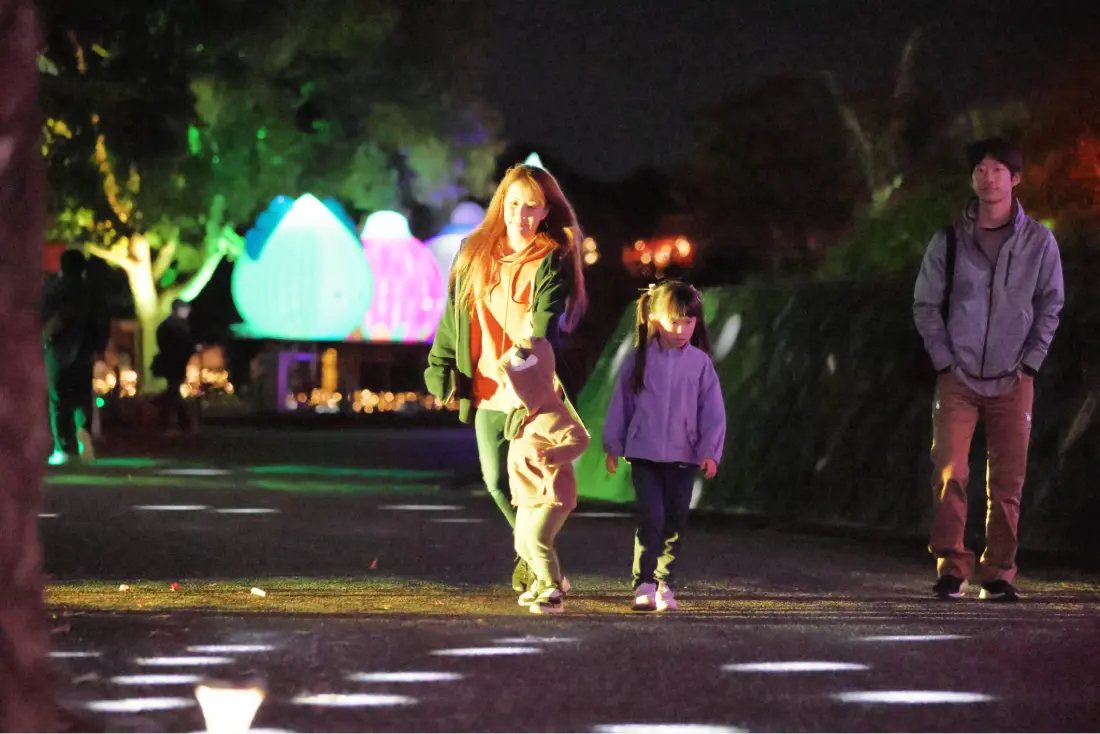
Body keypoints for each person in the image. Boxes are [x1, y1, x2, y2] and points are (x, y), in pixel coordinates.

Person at [913, 137, 1064, 603]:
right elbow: (925, 304)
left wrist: (1031, 361)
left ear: (1015, 178)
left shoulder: (1039, 241)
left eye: (998, 170)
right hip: (957, 377)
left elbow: (1051, 304)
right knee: (949, 472)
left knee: (1008, 481)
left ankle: (998, 571)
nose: (988, 178)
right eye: (980, 169)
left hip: (1014, 377)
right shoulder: (949, 239)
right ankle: (952, 566)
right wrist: (944, 359)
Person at [424, 164, 588, 592]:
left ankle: (540, 563)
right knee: (497, 482)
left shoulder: (551, 257)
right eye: (514, 204)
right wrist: (440, 365)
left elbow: (544, 330)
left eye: (532, 206)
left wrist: (530, 397)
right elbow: (454, 316)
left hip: (530, 390)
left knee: (531, 484)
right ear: (501, 204)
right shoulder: (473, 250)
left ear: (546, 210)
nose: (521, 215)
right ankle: (536, 553)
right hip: (485, 387)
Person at [603, 280, 726, 612]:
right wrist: (613, 444)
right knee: (651, 517)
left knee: (675, 519)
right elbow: (621, 404)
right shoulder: (638, 359)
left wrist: (710, 451)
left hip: (684, 457)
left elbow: (712, 412)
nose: (682, 329)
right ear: (655, 319)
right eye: (675, 321)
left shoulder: (700, 364)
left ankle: (664, 582)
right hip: (644, 454)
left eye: (689, 321)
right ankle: (643, 582)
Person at [498, 337, 589, 614]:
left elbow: (579, 438)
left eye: (512, 385)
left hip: (552, 492)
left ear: (531, 385)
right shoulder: (522, 415)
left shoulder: (551, 414)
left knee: (538, 539)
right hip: (529, 493)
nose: (507, 390)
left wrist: (553, 455)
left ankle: (552, 589)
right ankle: (548, 580)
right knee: (522, 543)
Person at [42, 249, 108, 465]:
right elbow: (101, 322)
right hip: (84, 352)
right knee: (82, 396)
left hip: (58, 351)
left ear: (62, 267)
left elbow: (41, 319)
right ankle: (84, 438)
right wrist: (99, 348)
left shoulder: (54, 290)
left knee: (58, 400)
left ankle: (62, 448)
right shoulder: (91, 293)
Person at [154, 299, 199, 434]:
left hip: (171, 362)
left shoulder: (166, 326)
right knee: (174, 393)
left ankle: (177, 422)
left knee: (173, 391)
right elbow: (184, 344)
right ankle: (180, 423)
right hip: (176, 363)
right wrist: (192, 348)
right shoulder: (178, 326)